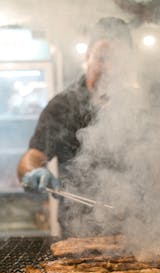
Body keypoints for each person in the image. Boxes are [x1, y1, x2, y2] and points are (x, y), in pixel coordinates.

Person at [17, 17, 133, 236]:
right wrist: (34, 171)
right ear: (88, 55)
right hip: (77, 235)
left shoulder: (137, 107)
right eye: (103, 58)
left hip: (133, 233)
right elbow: (30, 158)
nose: (109, 68)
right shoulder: (62, 106)